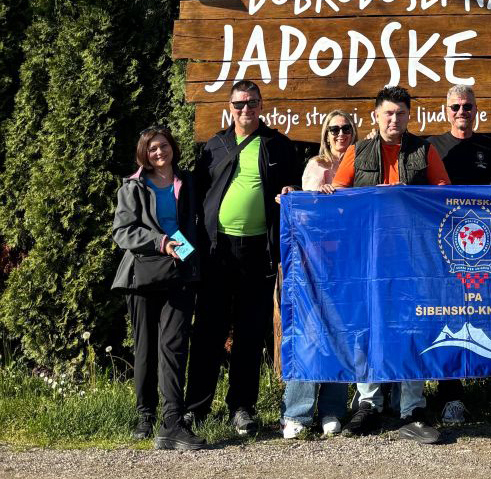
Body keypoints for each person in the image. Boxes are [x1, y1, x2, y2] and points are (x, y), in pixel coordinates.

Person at [332, 85, 451, 444]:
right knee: (367, 327)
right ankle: (368, 402)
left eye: (400, 113)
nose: (394, 119)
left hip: (412, 255)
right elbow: (339, 195)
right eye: (388, 113)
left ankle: (412, 407)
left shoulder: (424, 150)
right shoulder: (357, 151)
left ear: (409, 116)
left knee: (411, 325)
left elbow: (444, 193)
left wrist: (408, 197)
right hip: (369, 255)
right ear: (376, 116)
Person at [184, 80, 300, 436]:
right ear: (229, 107)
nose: (245, 109)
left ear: (261, 106)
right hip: (217, 250)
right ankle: (196, 408)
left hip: (258, 251)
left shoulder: (278, 144)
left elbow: (294, 187)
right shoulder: (214, 146)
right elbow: (195, 195)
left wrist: (291, 190)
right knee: (209, 330)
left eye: (252, 103)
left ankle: (242, 407)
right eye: (239, 104)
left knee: (250, 333)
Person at [111, 126, 206, 450]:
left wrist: (191, 255)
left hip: (180, 273)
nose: (159, 152)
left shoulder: (186, 181)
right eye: (152, 148)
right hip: (142, 275)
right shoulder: (133, 186)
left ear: (172, 148)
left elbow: (195, 222)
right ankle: (145, 415)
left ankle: (173, 422)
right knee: (146, 349)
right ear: (144, 153)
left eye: (163, 145)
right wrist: (160, 241)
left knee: (174, 347)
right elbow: (122, 231)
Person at [426, 85, 491, 424]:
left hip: (485, 244)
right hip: (445, 246)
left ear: (476, 109)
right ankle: (451, 397)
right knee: (449, 317)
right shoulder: (431, 146)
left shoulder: (489, 148)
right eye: (455, 107)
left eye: (467, 106)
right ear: (446, 111)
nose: (462, 112)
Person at [279, 111, 355, 439]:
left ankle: (333, 409)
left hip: (348, 261)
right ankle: (297, 412)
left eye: (346, 128)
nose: (340, 134)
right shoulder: (316, 166)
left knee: (341, 333)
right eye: (334, 129)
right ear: (326, 134)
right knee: (310, 332)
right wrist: (315, 199)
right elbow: (305, 216)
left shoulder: (361, 165)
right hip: (316, 261)